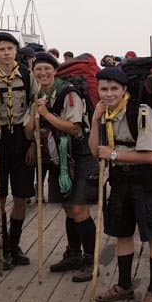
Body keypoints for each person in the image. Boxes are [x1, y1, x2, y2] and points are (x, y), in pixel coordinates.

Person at [89, 67, 152, 302]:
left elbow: (151, 156)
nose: (108, 93)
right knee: (122, 232)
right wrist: (94, 120)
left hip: (146, 180)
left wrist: (113, 154)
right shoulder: (104, 112)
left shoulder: (141, 112)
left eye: (114, 88)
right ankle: (124, 286)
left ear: (124, 89)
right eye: (104, 89)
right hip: (120, 179)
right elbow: (95, 150)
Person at [24, 52, 97, 282]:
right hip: (57, 156)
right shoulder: (37, 95)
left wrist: (46, 114)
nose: (43, 73)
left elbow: (75, 128)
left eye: (47, 68)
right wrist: (34, 115)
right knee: (68, 208)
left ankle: (91, 260)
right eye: (38, 69)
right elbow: (28, 132)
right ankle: (74, 254)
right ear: (33, 72)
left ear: (55, 71)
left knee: (79, 209)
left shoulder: (68, 93)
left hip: (79, 155)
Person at [0, 31, 39, 268]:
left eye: (10, 49)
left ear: (16, 51)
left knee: (21, 195)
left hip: (21, 139)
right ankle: (2, 246)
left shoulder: (26, 75)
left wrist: (33, 142)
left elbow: (35, 107)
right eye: (1, 49)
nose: (6, 53)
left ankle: (15, 244)